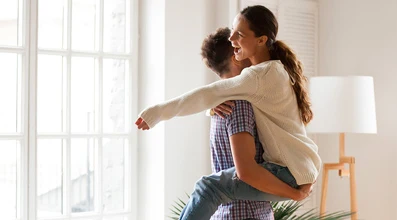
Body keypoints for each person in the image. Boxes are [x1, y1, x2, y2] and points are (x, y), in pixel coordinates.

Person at [135, 5, 322, 219]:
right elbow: (214, 96)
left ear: (261, 40)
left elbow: (208, 93)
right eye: (232, 30)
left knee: (208, 188)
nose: (232, 38)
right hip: (294, 170)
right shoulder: (273, 71)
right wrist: (211, 107)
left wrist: (157, 112)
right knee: (208, 188)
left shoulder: (258, 77)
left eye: (239, 34)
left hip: (288, 173)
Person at [202, 27, 274, 219]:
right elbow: (246, 172)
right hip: (247, 213)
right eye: (243, 48)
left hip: (229, 212)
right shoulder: (239, 104)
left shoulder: (220, 103)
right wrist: (295, 193)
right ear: (236, 57)